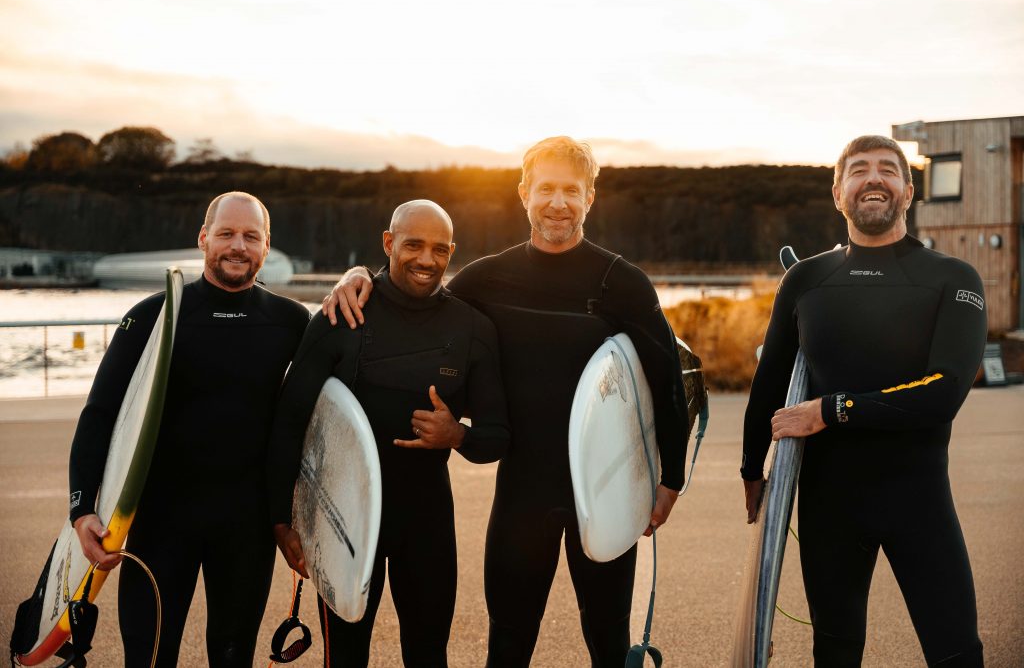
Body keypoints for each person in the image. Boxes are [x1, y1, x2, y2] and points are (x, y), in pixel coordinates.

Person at [324, 137, 690, 666]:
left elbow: (666, 383)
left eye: (571, 190)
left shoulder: (623, 283)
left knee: (608, 639)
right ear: (524, 193)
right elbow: (415, 301)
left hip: (610, 485)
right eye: (546, 189)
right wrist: (357, 278)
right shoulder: (486, 278)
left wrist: (670, 479)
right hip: (523, 493)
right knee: (509, 641)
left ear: (591, 197)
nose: (558, 202)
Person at [742, 135, 987, 667]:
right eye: (858, 170)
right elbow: (770, 382)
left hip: (919, 503)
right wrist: (751, 469)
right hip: (830, 509)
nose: (872, 178)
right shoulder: (805, 279)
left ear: (908, 190)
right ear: (838, 193)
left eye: (886, 169)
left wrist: (830, 410)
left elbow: (943, 392)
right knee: (834, 652)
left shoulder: (952, 278)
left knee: (957, 653)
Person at [69, 192, 310, 667]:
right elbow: (100, 414)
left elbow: (325, 414)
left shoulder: (291, 322)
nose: (237, 246)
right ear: (203, 238)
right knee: (149, 656)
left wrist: (360, 277)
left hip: (247, 526)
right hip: (160, 522)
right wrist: (82, 509)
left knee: (232, 656)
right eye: (225, 233)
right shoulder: (152, 316)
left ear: (266, 245)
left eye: (250, 236)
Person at [267, 200, 510, 667]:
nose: (426, 260)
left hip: (427, 519)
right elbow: (290, 420)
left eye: (439, 249)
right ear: (388, 243)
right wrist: (282, 519)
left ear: (452, 251)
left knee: (427, 654)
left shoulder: (471, 329)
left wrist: (456, 435)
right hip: (343, 515)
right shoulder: (343, 315)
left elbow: (497, 436)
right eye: (413, 245)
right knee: (345, 657)